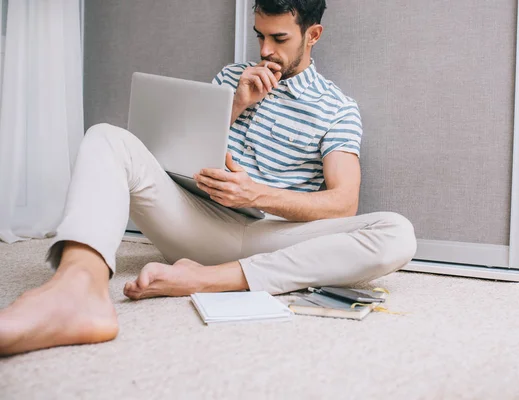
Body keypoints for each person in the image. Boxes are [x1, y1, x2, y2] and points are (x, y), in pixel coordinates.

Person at [0, 0, 416, 356]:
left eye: (280, 39)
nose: (266, 50)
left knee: (397, 233)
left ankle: (207, 279)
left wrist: (258, 193)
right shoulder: (231, 78)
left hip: (270, 239)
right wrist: (234, 104)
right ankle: (77, 288)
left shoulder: (338, 109)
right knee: (107, 137)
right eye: (260, 36)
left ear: (313, 35)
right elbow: (163, 156)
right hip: (197, 220)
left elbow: (344, 202)